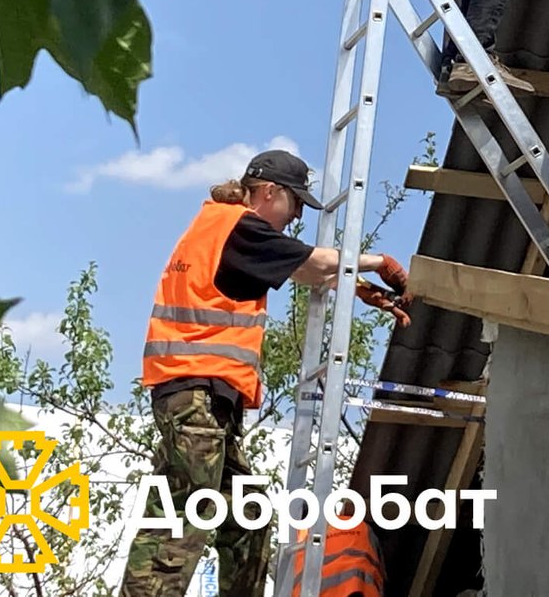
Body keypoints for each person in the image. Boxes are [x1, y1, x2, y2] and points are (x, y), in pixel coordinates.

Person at [120, 149, 410, 597]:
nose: (295, 217)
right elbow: (314, 264)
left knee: (248, 520)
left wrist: (362, 288)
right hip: (194, 393)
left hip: (203, 400)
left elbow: (310, 271)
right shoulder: (237, 226)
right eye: (295, 204)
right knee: (184, 520)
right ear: (270, 192)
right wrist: (377, 262)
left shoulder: (227, 232)